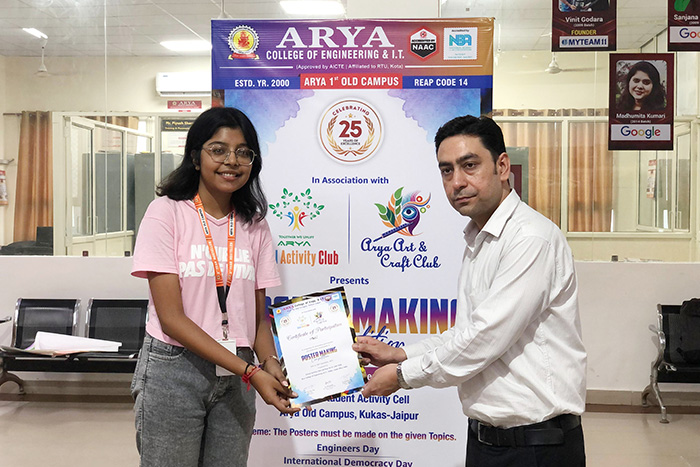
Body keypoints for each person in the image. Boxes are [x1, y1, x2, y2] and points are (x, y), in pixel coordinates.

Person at [353, 115, 587, 467]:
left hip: (536, 446)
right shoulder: (480, 238)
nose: (457, 182)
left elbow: (485, 338)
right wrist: (399, 355)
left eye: (470, 165)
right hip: (487, 440)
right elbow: (467, 332)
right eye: (446, 170)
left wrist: (403, 376)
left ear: (502, 166)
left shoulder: (529, 238)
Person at [130, 107, 299, 466]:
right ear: (195, 157)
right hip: (175, 368)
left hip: (239, 371)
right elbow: (171, 318)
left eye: (243, 152)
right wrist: (251, 371)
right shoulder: (166, 213)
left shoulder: (254, 224)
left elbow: (257, 318)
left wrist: (269, 362)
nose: (231, 161)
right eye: (218, 150)